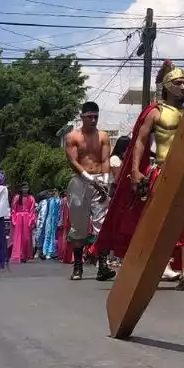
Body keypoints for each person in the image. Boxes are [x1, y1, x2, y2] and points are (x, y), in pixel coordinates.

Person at [92, 61, 184, 292]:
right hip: (162, 172)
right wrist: (134, 171)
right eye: (178, 83)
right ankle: (143, 268)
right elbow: (140, 142)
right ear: (167, 86)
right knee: (153, 224)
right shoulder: (155, 112)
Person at [64, 101, 114, 281]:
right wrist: (90, 179)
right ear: (82, 117)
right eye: (90, 117)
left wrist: (106, 182)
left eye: (96, 117)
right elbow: (73, 162)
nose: (93, 120)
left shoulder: (103, 136)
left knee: (102, 223)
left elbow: (106, 159)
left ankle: (103, 266)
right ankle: (78, 267)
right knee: (79, 226)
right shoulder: (73, 137)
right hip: (80, 182)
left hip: (100, 180)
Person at [10, 184, 37, 264]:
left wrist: (31, 220)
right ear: (21, 189)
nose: (25, 189)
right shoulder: (17, 197)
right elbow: (13, 209)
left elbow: (32, 210)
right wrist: (14, 220)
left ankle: (25, 255)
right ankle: (18, 255)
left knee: (26, 238)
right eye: (23, 188)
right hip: (18, 218)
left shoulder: (31, 198)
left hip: (27, 218)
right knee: (18, 238)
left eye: (26, 188)